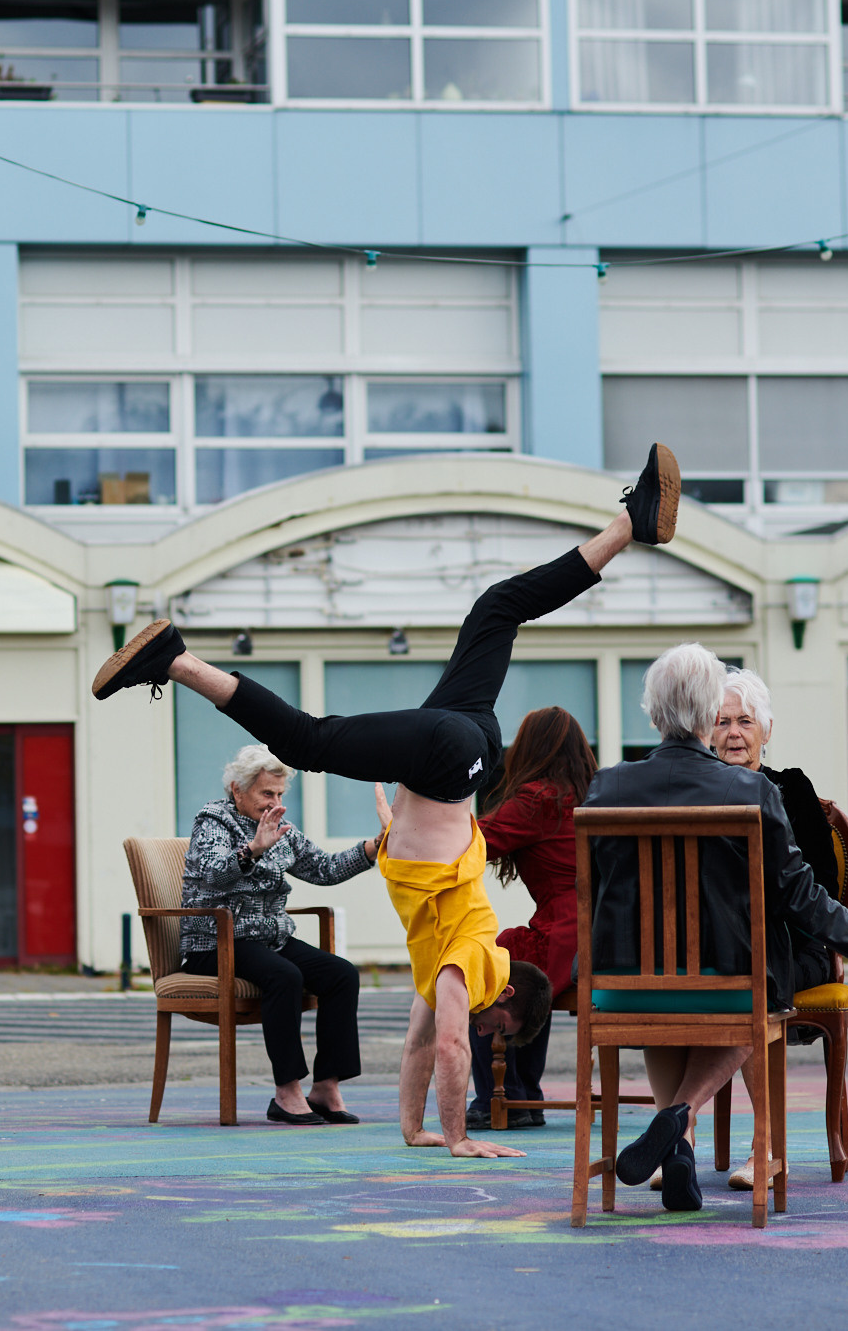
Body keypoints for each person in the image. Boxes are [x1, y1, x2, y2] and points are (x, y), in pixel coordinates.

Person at [93, 443, 687, 1158]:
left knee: (498, 607)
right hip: (447, 760)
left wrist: (418, 1130)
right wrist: (464, 1138)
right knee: (311, 742)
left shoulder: (440, 968)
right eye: (490, 1026)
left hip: (462, 747)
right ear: (503, 1003)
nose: (470, 1027)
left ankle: (632, 522)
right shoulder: (474, 960)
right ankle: (176, 659)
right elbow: (449, 1051)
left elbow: (415, 1048)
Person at [585, 643, 848, 1213]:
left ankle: (675, 1138)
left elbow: (596, 889)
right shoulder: (749, 790)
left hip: (623, 980)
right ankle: (676, 1118)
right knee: (753, 989)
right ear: (708, 715)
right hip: (732, 975)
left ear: (654, 715)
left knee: (716, 982)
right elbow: (803, 898)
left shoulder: (605, 788)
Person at [180, 745, 375, 1125]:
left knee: (341, 974)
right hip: (215, 941)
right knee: (285, 975)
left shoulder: (280, 827)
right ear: (238, 790)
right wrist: (252, 850)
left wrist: (376, 846)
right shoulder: (213, 821)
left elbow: (325, 869)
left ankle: (325, 1086)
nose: (275, 803)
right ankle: (286, 1092)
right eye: (267, 794)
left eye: (280, 795)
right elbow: (214, 874)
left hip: (268, 938)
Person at [710, 666, 841, 1191]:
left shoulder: (791, 789)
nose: (733, 733)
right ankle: (681, 1140)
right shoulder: (699, 791)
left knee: (748, 975)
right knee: (689, 975)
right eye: (721, 722)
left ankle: (764, 1148)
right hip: (721, 947)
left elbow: (821, 893)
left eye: (745, 721)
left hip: (793, 947)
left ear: (767, 730)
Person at [464, 705, 594, 1131]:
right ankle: (526, 1096)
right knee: (518, 957)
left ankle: (497, 1099)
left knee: (484, 962)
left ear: (529, 751)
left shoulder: (540, 799)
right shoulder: (595, 794)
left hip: (566, 933)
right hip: (607, 935)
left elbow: (474, 843)